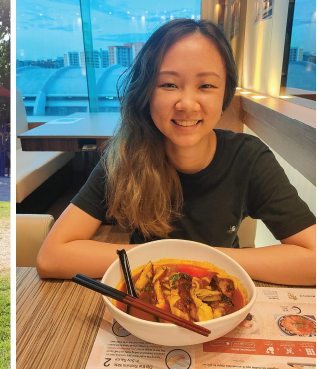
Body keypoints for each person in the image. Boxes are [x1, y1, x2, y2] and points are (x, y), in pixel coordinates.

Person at [36, 19, 316, 286]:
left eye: (206, 85)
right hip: (147, 294)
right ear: (146, 92)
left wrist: (200, 260)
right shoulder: (127, 154)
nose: (188, 104)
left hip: (221, 292)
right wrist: (178, 260)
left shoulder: (248, 158)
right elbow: (51, 257)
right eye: (169, 84)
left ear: (225, 95)